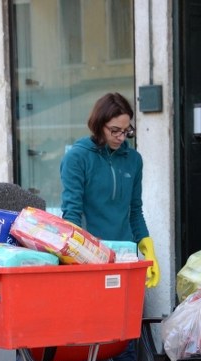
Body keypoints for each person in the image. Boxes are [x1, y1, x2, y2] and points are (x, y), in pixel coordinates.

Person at [60, 92, 160, 289]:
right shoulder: (77, 158)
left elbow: (135, 210)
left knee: (128, 308)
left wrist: (148, 249)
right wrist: (73, 256)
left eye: (126, 130)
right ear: (99, 125)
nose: (121, 137)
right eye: (114, 131)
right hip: (90, 256)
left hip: (125, 255)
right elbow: (72, 213)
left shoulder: (133, 160)